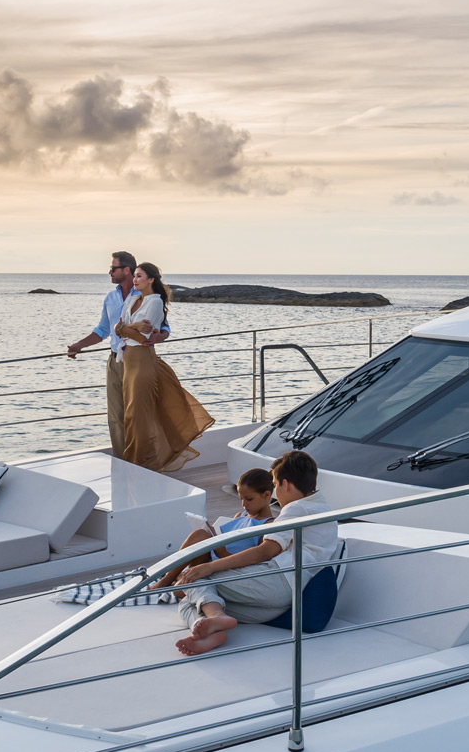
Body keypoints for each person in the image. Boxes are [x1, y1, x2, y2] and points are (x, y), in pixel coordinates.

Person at [174, 451, 340, 656]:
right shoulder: (325, 510)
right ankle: (208, 630)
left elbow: (265, 552)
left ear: (285, 484)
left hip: (277, 581)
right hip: (289, 596)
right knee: (190, 602)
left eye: (275, 485)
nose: (276, 493)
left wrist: (208, 566)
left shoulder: (296, 508)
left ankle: (215, 616)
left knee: (194, 579)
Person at [65, 251, 169, 457]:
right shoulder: (111, 298)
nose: (109, 272)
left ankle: (144, 460)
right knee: (116, 416)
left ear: (126, 270)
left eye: (113, 268)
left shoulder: (145, 297)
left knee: (139, 415)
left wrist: (159, 336)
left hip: (138, 361)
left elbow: (161, 327)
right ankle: (123, 461)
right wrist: (79, 345)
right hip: (115, 360)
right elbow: (104, 329)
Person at [115, 262, 213, 471]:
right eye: (134, 275)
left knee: (139, 416)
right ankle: (134, 463)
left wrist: (125, 329)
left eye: (139, 276)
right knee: (130, 416)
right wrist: (131, 326)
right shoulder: (132, 299)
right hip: (128, 361)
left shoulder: (155, 302)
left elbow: (142, 337)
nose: (135, 280)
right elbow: (118, 328)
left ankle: (143, 464)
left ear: (151, 279)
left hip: (143, 360)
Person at [152, 468, 278, 593]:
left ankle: (179, 576)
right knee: (200, 533)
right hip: (211, 558)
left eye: (249, 499)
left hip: (226, 567)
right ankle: (167, 579)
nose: (244, 504)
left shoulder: (267, 525)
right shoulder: (240, 516)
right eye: (241, 498)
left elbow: (251, 562)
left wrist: (221, 550)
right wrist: (214, 538)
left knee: (178, 590)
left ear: (266, 495)